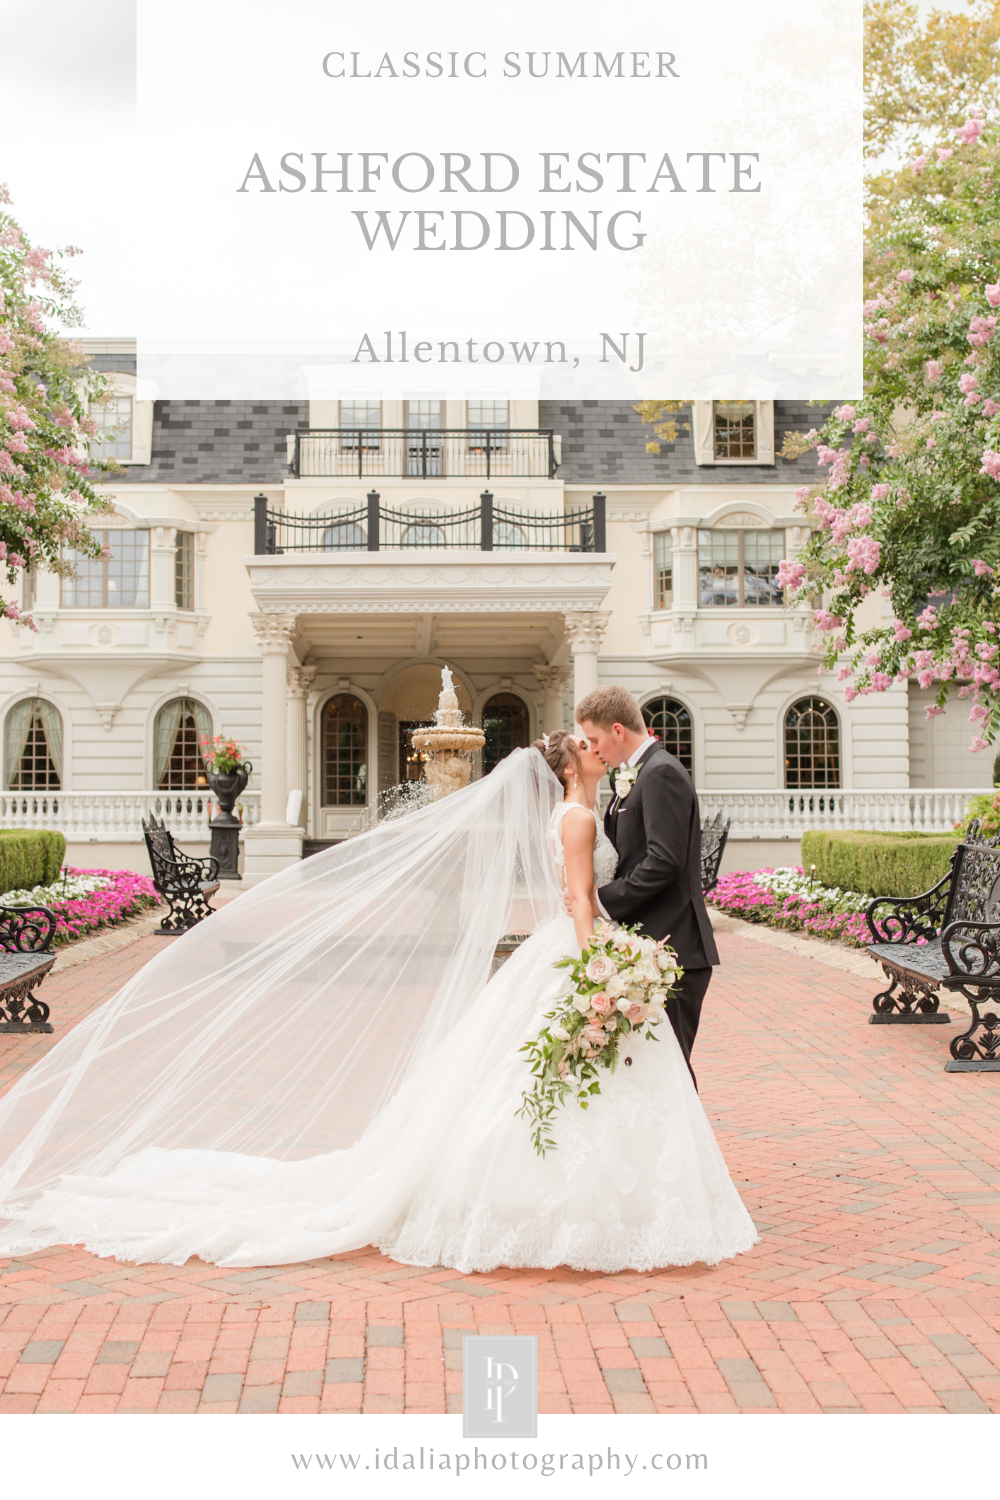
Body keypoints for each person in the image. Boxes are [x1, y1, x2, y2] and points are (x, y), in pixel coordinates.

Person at [0, 736, 756, 1273]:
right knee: (543, 1075)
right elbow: (580, 901)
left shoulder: (580, 813)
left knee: (527, 1073)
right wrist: (599, 958)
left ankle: (577, 1197)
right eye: (589, 747)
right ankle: (578, 1202)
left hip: (564, 948)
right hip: (576, 948)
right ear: (570, 765)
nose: (601, 750)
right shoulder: (580, 816)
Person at [576, 686, 718, 1085]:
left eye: (595, 739)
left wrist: (601, 901)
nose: (594, 748)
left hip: (675, 949)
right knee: (653, 1073)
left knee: (669, 1073)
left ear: (617, 730)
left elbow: (664, 861)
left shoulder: (661, 773)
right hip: (652, 946)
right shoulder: (636, 774)